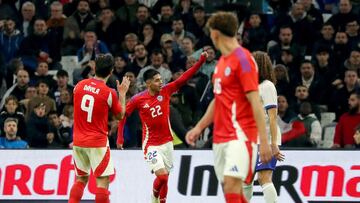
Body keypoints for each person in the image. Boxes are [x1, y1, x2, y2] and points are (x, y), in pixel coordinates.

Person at [185, 12, 272, 203]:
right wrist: (199, 127)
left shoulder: (244, 59)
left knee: (233, 185)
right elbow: (218, 101)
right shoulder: (222, 62)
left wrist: (264, 142)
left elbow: (256, 101)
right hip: (220, 136)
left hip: (241, 135)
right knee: (232, 193)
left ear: (215, 34)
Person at [117, 52, 208, 203]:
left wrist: (200, 62)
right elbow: (122, 117)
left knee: (166, 179)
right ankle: (154, 197)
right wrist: (120, 137)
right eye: (157, 80)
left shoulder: (166, 91)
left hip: (167, 143)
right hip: (151, 144)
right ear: (148, 83)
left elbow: (184, 78)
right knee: (162, 176)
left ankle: (161, 201)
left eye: (161, 79)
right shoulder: (137, 99)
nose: (161, 82)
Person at [68, 54, 130, 203]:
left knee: (80, 179)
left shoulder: (79, 86)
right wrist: (122, 94)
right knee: (102, 182)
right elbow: (120, 116)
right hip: (97, 142)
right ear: (111, 71)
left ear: (94, 67)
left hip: (78, 141)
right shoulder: (109, 92)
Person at [243, 51, 284, 203]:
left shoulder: (267, 86)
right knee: (246, 180)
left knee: (263, 177)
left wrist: (273, 144)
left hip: (266, 139)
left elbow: (273, 117)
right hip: (251, 139)